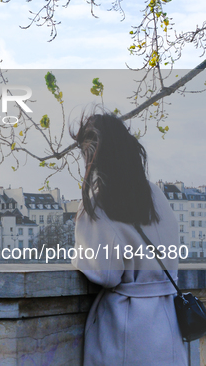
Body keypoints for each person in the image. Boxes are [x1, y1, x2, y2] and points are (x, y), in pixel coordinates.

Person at [71, 113, 186, 366]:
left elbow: (105, 274)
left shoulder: (98, 202)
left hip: (128, 331)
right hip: (168, 324)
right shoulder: (155, 194)